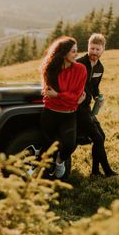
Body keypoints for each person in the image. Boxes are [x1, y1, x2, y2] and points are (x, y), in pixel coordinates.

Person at [40, 36, 87, 178]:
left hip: (69, 114)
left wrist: (59, 96)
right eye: (73, 51)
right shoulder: (51, 69)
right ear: (64, 52)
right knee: (49, 147)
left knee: (69, 144)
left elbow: (77, 95)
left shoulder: (81, 70)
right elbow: (67, 97)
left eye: (76, 51)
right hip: (50, 113)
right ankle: (47, 174)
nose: (76, 54)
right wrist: (71, 98)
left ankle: (60, 162)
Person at [76, 33, 118, 177]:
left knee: (101, 137)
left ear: (103, 50)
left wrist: (97, 97)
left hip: (87, 108)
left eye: (97, 49)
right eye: (92, 48)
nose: (94, 52)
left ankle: (95, 171)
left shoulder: (100, 68)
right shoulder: (79, 63)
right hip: (76, 107)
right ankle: (107, 171)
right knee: (98, 138)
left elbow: (94, 87)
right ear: (88, 47)